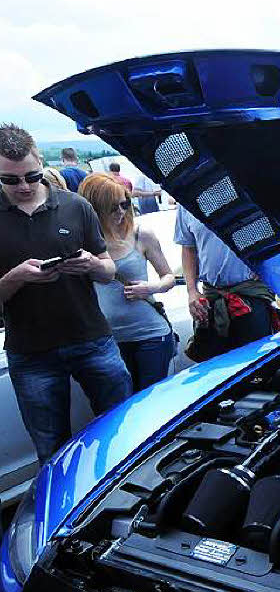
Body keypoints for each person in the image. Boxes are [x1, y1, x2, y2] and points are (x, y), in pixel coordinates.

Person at [0, 125, 131, 463]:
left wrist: (91, 264)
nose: (24, 186)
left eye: (31, 175)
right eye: (10, 180)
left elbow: (109, 272)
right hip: (31, 354)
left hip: (92, 340)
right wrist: (15, 278)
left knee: (121, 432)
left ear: (41, 162)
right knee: (51, 450)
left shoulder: (76, 206)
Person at [80, 173, 177, 391]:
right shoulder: (83, 243)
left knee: (150, 404)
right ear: (96, 208)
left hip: (150, 334)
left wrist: (151, 288)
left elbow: (168, 277)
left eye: (125, 204)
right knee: (120, 407)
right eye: (113, 207)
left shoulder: (141, 234)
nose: (121, 212)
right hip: (107, 341)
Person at [175, 205, 280, 361]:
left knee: (258, 363)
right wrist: (192, 291)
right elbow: (188, 248)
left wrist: (268, 266)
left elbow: (277, 234)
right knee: (214, 366)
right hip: (211, 298)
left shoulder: (244, 192)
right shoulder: (186, 202)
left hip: (250, 295)